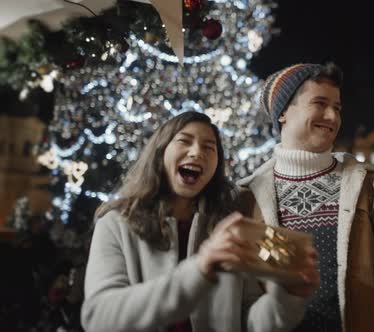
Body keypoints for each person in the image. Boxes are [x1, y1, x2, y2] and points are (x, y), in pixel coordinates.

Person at [81, 111, 318, 332]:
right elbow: (99, 317)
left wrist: (288, 296)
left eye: (209, 147)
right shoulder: (115, 224)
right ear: (160, 151)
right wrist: (199, 269)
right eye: (184, 141)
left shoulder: (229, 229)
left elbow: (250, 322)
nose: (197, 153)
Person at [238, 63, 374, 332]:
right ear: (283, 113)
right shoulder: (248, 199)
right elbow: (251, 302)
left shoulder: (370, 185)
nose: (332, 116)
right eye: (320, 103)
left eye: (337, 108)